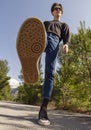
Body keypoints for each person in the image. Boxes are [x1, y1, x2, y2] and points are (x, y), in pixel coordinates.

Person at [38, 2, 70, 125]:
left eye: (60, 9)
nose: (58, 10)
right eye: (55, 9)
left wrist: (66, 45)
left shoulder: (63, 25)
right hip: (43, 39)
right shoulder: (46, 23)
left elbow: (66, 38)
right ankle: (35, 60)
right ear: (52, 12)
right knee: (45, 37)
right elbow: (37, 31)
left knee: (50, 73)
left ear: (61, 12)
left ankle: (44, 108)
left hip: (54, 42)